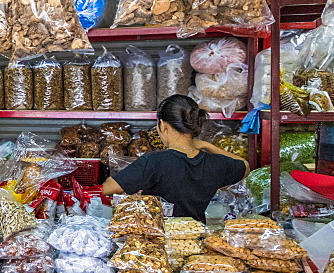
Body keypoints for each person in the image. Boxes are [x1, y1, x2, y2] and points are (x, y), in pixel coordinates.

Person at [102, 94, 249, 222]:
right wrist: (207, 146)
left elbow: (108, 188)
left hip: (158, 240)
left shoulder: (154, 161)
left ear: (163, 125)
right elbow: (245, 166)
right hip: (194, 238)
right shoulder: (215, 163)